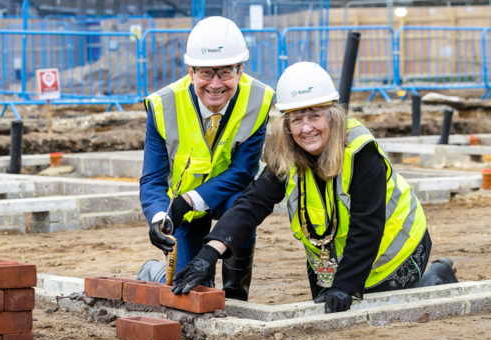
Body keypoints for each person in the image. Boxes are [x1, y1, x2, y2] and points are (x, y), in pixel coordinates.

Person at [171, 61, 459, 311]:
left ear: (331, 114)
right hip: (330, 257)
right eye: (296, 119)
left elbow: (368, 224)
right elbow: (252, 203)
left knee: (371, 313)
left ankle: (436, 277)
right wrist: (209, 254)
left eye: (314, 116)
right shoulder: (288, 151)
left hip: (397, 252)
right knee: (330, 313)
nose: (306, 128)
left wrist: (345, 285)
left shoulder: (360, 150)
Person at [137, 16, 275, 301]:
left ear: (240, 70)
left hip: (225, 199)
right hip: (181, 210)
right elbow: (152, 178)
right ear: (190, 71)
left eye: (225, 72)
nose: (215, 84)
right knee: (187, 287)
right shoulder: (163, 105)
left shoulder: (258, 100)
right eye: (205, 73)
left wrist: (191, 199)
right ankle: (155, 271)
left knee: (242, 208)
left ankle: (236, 293)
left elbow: (242, 172)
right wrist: (160, 216)